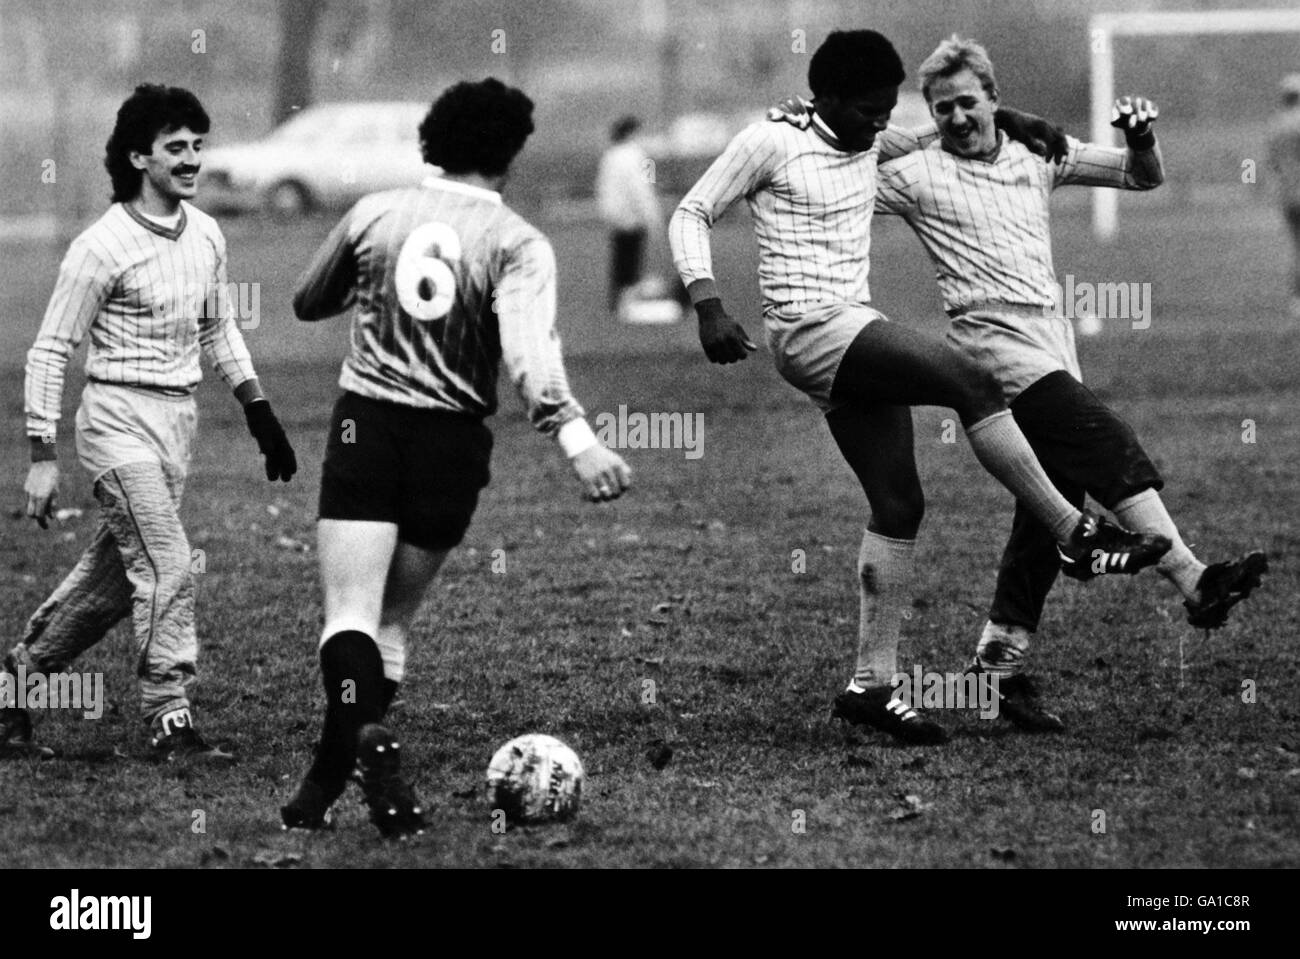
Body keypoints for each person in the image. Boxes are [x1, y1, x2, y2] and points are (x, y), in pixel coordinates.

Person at [669, 30, 1170, 748]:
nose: (883, 122)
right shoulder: (768, 141)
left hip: (851, 329)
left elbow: (954, 136)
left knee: (901, 502)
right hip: (810, 328)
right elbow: (691, 211)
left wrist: (1020, 122)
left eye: (888, 110)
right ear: (829, 98)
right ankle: (1075, 534)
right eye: (871, 109)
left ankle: (871, 685)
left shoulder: (870, 136)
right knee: (969, 378)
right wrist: (709, 301)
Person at [872, 36, 1268, 731]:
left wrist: (1141, 137)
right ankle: (1195, 579)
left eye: (968, 102)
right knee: (1104, 439)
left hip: (1050, 345)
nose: (957, 118)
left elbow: (1141, 177)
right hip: (991, 352)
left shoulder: (1036, 152)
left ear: (993, 98)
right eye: (942, 110)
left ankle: (997, 665)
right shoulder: (917, 173)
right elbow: (836, 168)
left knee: (1047, 510)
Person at [282, 78, 632, 837]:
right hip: (451, 441)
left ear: (428, 142)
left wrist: (376, 288)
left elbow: (309, 301)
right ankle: (327, 775)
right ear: (511, 154)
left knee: (348, 614)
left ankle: (334, 769)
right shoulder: (517, 243)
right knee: (392, 623)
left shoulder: (375, 211)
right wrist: (578, 439)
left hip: (366, 425)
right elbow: (529, 355)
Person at [0, 83, 297, 763]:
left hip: (176, 425)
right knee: (167, 562)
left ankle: (11, 691)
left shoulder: (208, 234)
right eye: (176, 148)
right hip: (114, 421)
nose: (192, 159)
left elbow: (219, 329)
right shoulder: (100, 246)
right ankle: (171, 715)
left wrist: (260, 412)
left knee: (109, 588)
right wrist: (42, 454)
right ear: (140, 157)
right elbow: (50, 349)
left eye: (198, 145)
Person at [596, 115, 662, 316]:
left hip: (615, 215)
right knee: (631, 258)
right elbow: (644, 188)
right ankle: (628, 303)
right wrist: (652, 216)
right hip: (632, 215)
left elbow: (603, 187)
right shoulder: (637, 156)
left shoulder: (610, 155)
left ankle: (619, 300)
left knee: (621, 258)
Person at [1267, 73, 1300, 320]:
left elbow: (1273, 164)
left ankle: (1297, 301)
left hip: (1288, 196)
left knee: (1297, 248)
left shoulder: (1276, 126)